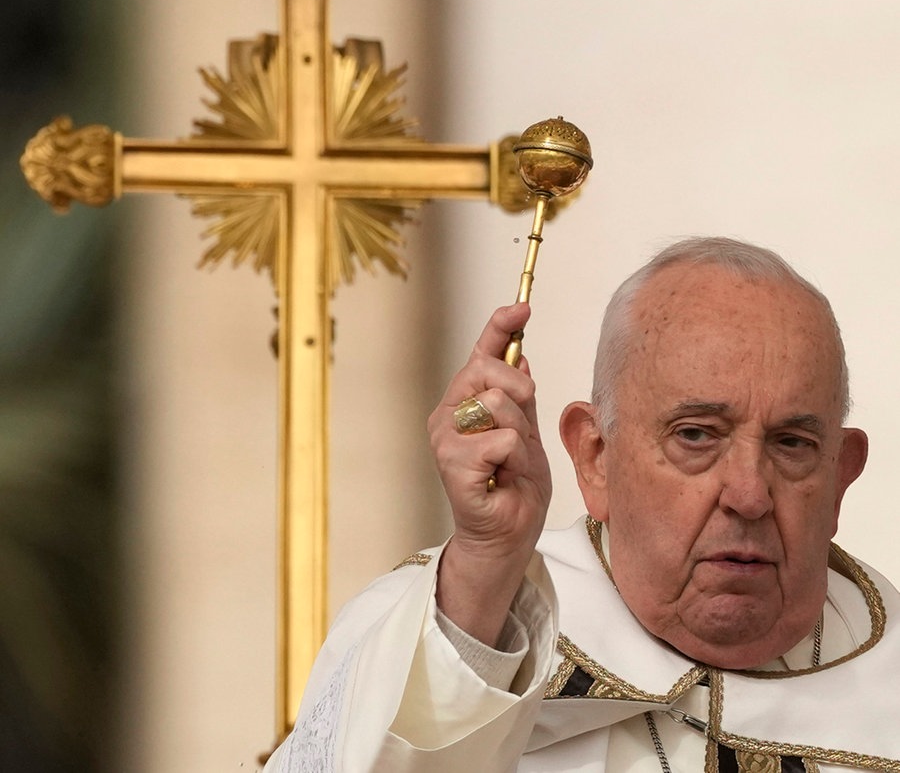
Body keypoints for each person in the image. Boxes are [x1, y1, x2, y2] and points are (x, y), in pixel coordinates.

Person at [265, 236, 900, 772]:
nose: (748, 495)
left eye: (792, 444)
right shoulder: (449, 625)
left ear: (841, 476)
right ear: (595, 456)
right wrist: (486, 564)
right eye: (696, 436)